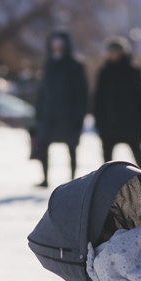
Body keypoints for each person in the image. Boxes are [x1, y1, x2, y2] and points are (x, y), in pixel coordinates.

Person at [32, 31, 88, 188]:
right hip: (49, 116)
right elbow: (42, 91)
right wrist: (39, 111)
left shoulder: (75, 65)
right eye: (54, 43)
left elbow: (81, 93)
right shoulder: (48, 64)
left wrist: (79, 116)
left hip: (68, 116)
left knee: (71, 149)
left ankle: (73, 180)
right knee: (43, 147)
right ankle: (45, 179)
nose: (56, 47)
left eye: (60, 43)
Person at [92, 37, 141, 165]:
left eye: (117, 51)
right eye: (111, 52)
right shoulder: (104, 73)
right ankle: (108, 185)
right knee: (107, 164)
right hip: (108, 125)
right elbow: (98, 99)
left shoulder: (133, 71)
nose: (114, 54)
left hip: (131, 124)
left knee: (140, 159)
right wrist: (98, 121)